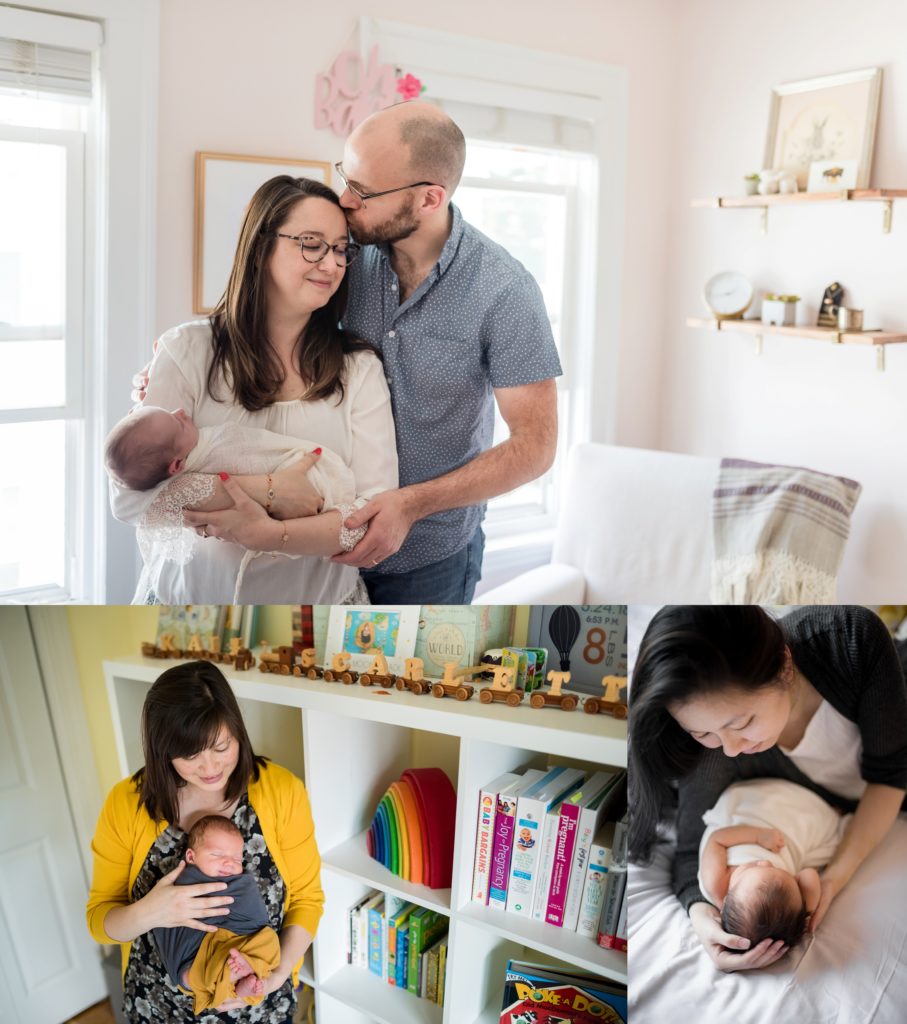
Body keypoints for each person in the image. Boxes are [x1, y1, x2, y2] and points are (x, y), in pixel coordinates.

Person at [113, 175, 398, 604]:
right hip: (187, 604)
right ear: (262, 247)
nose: (331, 263)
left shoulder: (359, 368)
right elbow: (131, 501)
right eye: (311, 243)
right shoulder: (187, 349)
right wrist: (269, 488)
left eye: (341, 249)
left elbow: (370, 517)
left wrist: (270, 533)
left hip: (318, 607)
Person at [332, 100, 562, 602]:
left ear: (430, 199)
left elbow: (535, 447)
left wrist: (411, 505)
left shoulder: (504, 291)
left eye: (363, 191)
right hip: (320, 543)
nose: (344, 200)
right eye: (344, 177)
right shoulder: (342, 252)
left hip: (428, 560)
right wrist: (187, 361)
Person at [628, 605, 907, 973]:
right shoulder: (714, 750)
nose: (729, 748)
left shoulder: (849, 639)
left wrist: (835, 876)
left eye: (742, 722)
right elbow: (691, 849)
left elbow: (891, 773)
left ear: (784, 665)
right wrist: (702, 916)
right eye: (703, 733)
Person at [86, 662, 323, 1021]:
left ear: (238, 733)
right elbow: (99, 920)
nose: (209, 767)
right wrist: (152, 911)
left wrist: (273, 978)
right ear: (163, 750)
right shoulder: (126, 804)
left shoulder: (281, 791)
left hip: (257, 1001)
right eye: (190, 755)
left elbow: (307, 900)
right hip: (161, 1007)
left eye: (220, 746)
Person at [105, 407, 365, 602]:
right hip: (193, 592)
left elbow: (361, 522)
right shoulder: (217, 446)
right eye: (177, 421)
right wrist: (270, 488)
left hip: (316, 588)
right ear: (177, 466)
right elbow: (126, 504)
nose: (181, 411)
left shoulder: (169, 448)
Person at [697, 779, 849, 950]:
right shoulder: (786, 899)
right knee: (820, 832)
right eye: (776, 869)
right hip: (783, 827)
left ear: (725, 902)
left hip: (751, 823)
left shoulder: (715, 883)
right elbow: (809, 875)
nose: (766, 862)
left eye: (754, 867)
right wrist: (808, 910)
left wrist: (758, 836)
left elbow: (716, 840)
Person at [152, 815, 280, 1011]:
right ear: (191, 857)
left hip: (240, 945)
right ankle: (237, 978)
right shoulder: (181, 882)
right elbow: (165, 920)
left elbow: (257, 919)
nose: (230, 863)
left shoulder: (241, 883)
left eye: (237, 858)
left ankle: (243, 974)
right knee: (199, 972)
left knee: (269, 940)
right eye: (217, 855)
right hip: (200, 953)